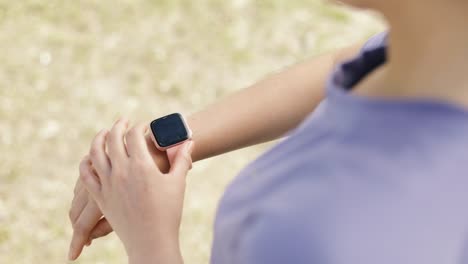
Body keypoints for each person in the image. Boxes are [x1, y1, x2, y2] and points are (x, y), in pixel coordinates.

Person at [69, 0, 468, 263]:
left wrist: (150, 240)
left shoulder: (319, 236)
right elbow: (357, 61)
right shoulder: (439, 55)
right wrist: (172, 140)